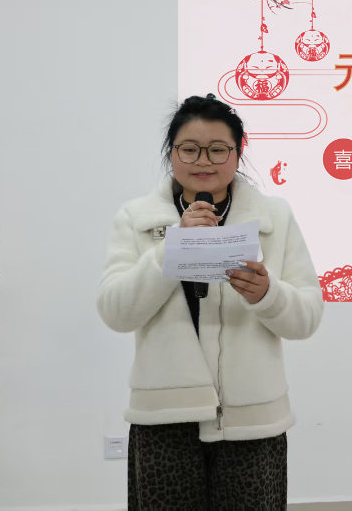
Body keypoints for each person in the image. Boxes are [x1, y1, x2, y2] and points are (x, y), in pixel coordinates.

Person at [97, 93, 324, 510]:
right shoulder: (137, 219)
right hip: (165, 420)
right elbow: (115, 312)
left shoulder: (275, 218)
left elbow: (308, 317)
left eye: (218, 149)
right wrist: (172, 249)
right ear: (171, 152)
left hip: (253, 421)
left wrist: (268, 295)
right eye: (189, 149)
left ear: (238, 153)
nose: (203, 160)